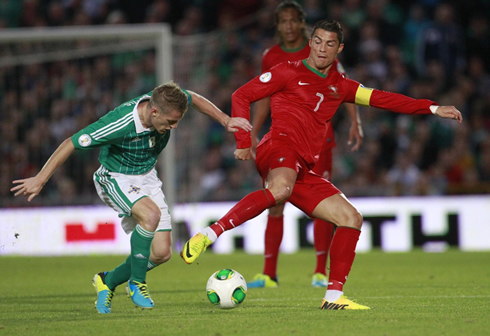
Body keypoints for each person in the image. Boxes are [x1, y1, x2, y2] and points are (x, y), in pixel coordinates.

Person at [180, 20, 462, 310]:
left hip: (302, 167)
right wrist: (242, 141)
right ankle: (208, 234)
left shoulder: (341, 86)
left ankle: (333, 297)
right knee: (280, 189)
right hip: (277, 146)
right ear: (310, 42)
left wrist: (431, 107)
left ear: (339, 48)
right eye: (317, 41)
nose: (322, 48)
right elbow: (242, 95)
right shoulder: (287, 71)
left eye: (329, 43)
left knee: (351, 218)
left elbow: (383, 99)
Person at [11, 81, 252, 314]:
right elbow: (71, 142)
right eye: (171, 121)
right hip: (115, 177)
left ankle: (107, 280)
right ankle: (137, 283)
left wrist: (225, 119)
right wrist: (40, 179)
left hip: (146, 177)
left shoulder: (166, 101)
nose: (175, 127)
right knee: (151, 215)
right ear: (154, 111)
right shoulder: (119, 123)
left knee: (161, 254)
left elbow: (192, 96)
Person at [248, 0, 363, 289]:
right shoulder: (271, 56)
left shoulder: (322, 50)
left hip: (317, 141)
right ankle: (269, 274)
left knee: (322, 205)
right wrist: (253, 130)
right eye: (282, 21)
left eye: (292, 20)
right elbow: (262, 95)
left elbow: (346, 88)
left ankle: (319, 272)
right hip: (282, 139)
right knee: (275, 200)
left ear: (302, 23)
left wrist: (355, 121)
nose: (288, 26)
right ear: (277, 26)